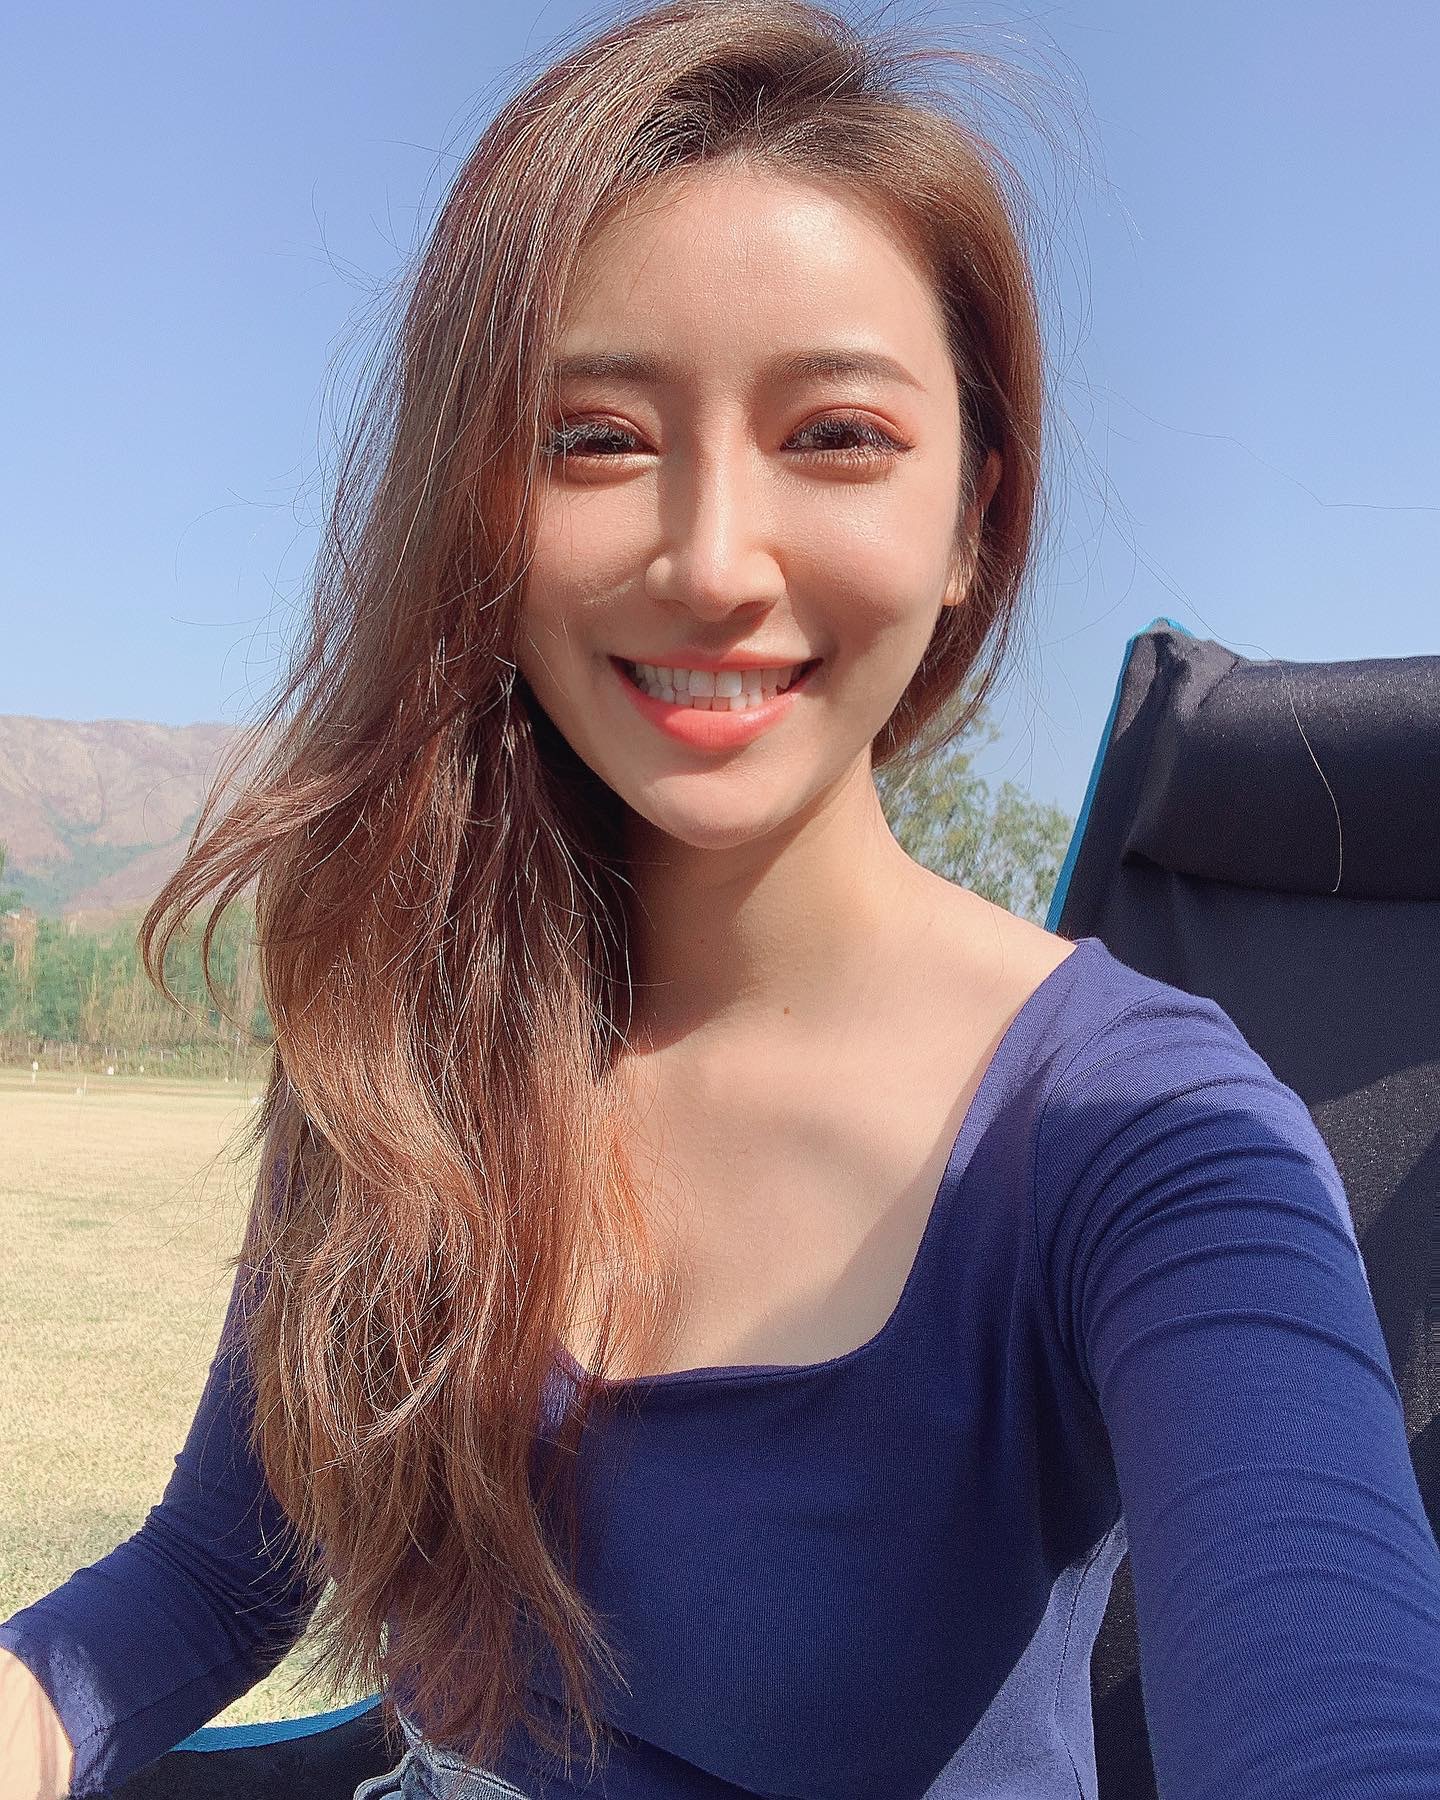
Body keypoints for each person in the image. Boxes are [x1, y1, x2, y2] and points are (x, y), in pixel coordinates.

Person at [5, 1, 1440, 1796]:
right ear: (476, 504)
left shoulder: (1144, 1136)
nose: (708, 560)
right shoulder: (410, 1032)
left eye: (834, 434)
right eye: (595, 438)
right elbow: (216, 1575)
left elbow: (1334, 1720)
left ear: (975, 517)